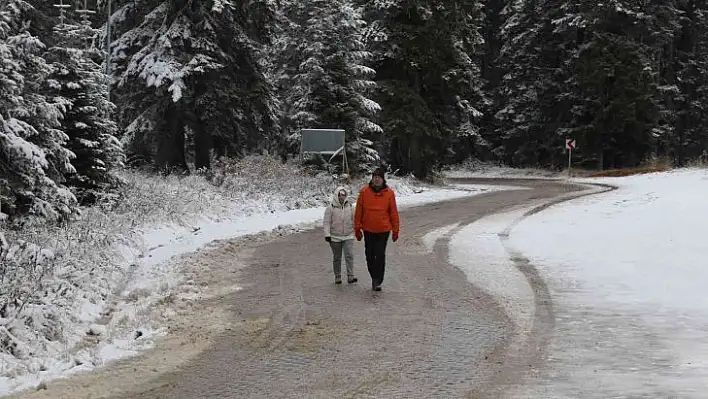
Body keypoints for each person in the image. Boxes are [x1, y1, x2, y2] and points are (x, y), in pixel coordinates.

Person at [354, 167, 400, 291]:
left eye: (379, 177)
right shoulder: (364, 192)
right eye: (374, 177)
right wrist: (357, 228)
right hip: (368, 229)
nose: (376, 179)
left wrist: (396, 230)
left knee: (379, 255)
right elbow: (358, 211)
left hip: (383, 230)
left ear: (382, 179)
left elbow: (393, 213)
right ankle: (374, 276)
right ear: (372, 178)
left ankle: (378, 280)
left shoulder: (389, 193)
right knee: (369, 255)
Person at [323, 186, 358, 284]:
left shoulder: (350, 207)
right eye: (339, 195)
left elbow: (355, 220)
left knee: (349, 255)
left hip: (348, 235)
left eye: (343, 195)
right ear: (336, 195)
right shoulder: (331, 208)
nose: (341, 197)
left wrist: (357, 231)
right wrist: (327, 234)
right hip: (335, 237)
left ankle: (350, 276)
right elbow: (326, 222)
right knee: (337, 257)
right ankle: (337, 277)